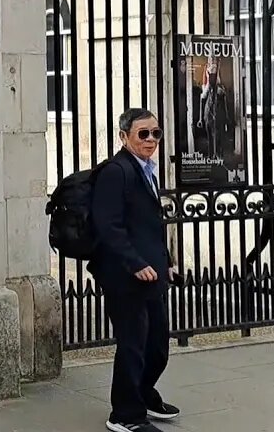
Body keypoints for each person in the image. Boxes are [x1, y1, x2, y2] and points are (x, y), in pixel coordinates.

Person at [89, 108, 180, 432]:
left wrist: (165, 263)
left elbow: (149, 225)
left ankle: (142, 393)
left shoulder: (146, 169)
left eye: (156, 133)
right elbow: (108, 226)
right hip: (125, 276)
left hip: (152, 272)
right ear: (124, 136)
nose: (151, 140)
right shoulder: (116, 171)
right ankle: (125, 415)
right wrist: (135, 263)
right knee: (133, 343)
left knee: (157, 343)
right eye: (144, 134)